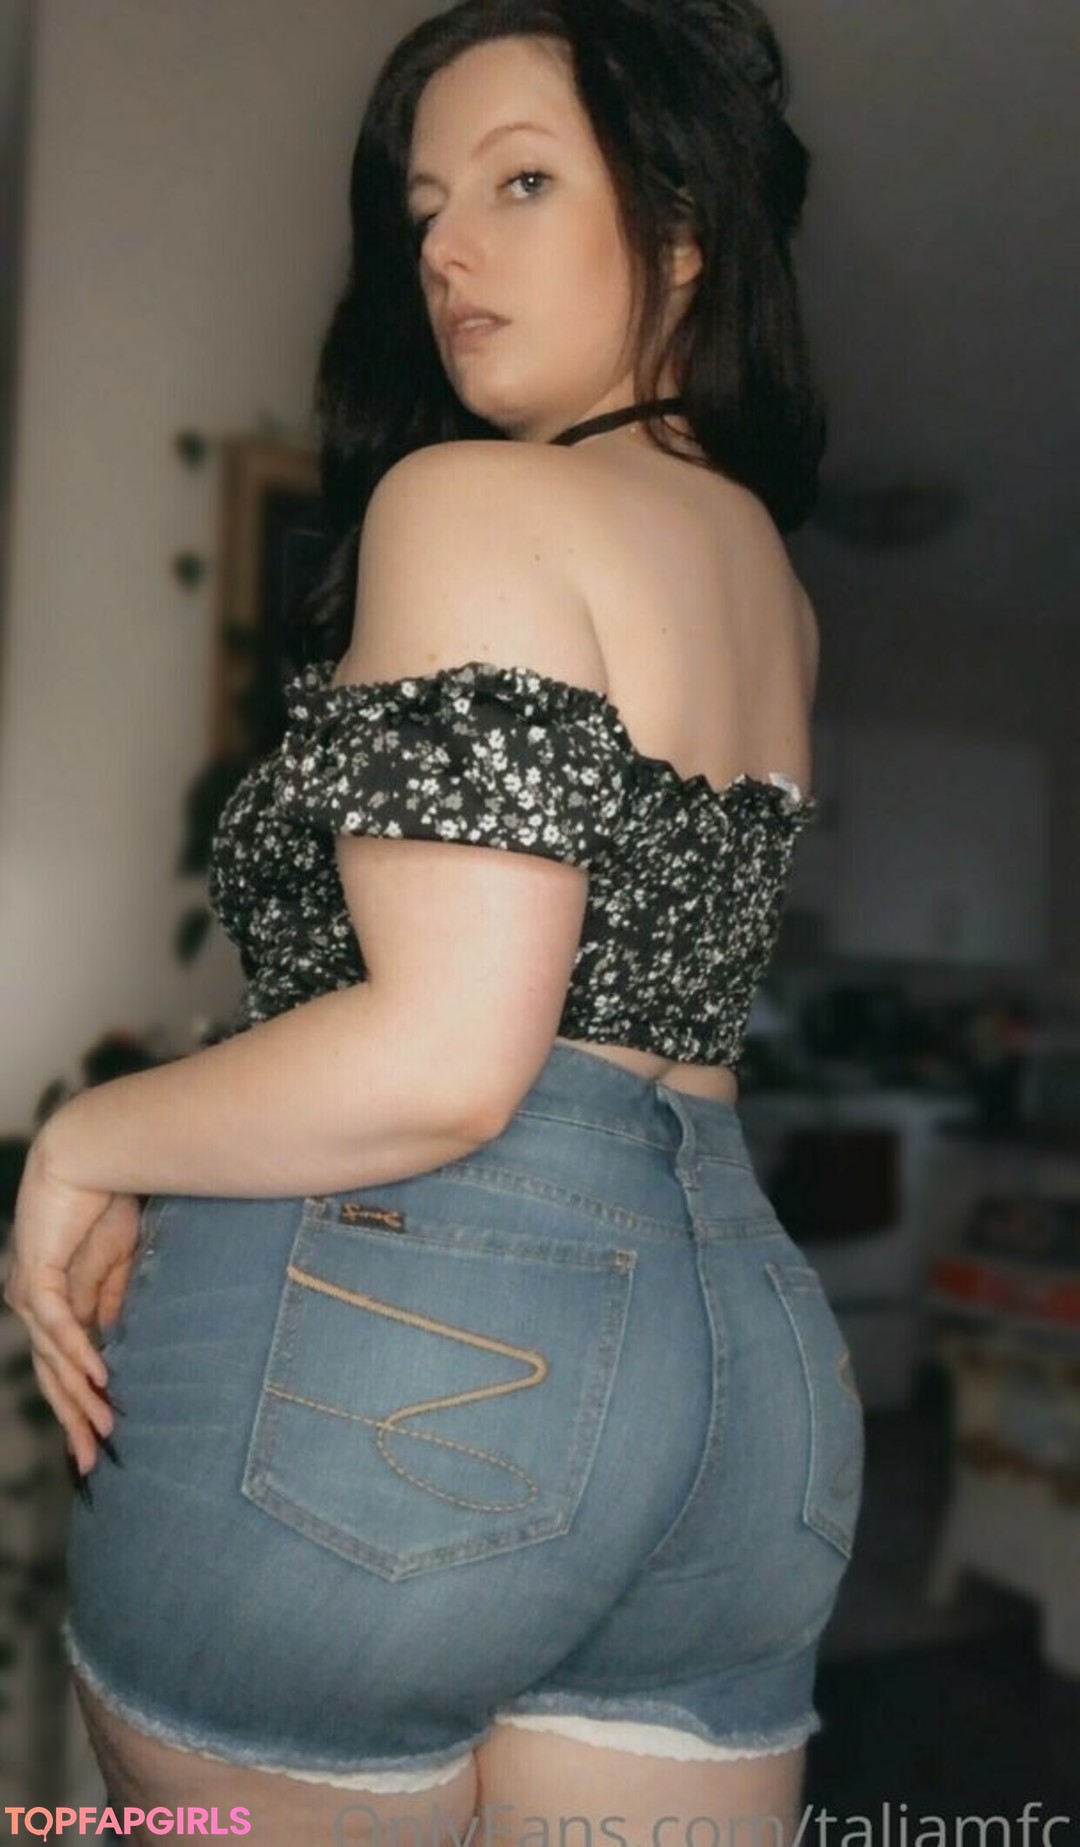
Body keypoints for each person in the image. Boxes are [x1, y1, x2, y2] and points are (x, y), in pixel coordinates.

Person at [5, 1, 863, 1840]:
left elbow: (448, 1056)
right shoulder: (767, 585)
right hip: (749, 1386)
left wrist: (87, 1139)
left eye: (520, 182)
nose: (449, 250)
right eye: (423, 210)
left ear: (685, 230)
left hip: (425, 1359)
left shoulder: (475, 504)